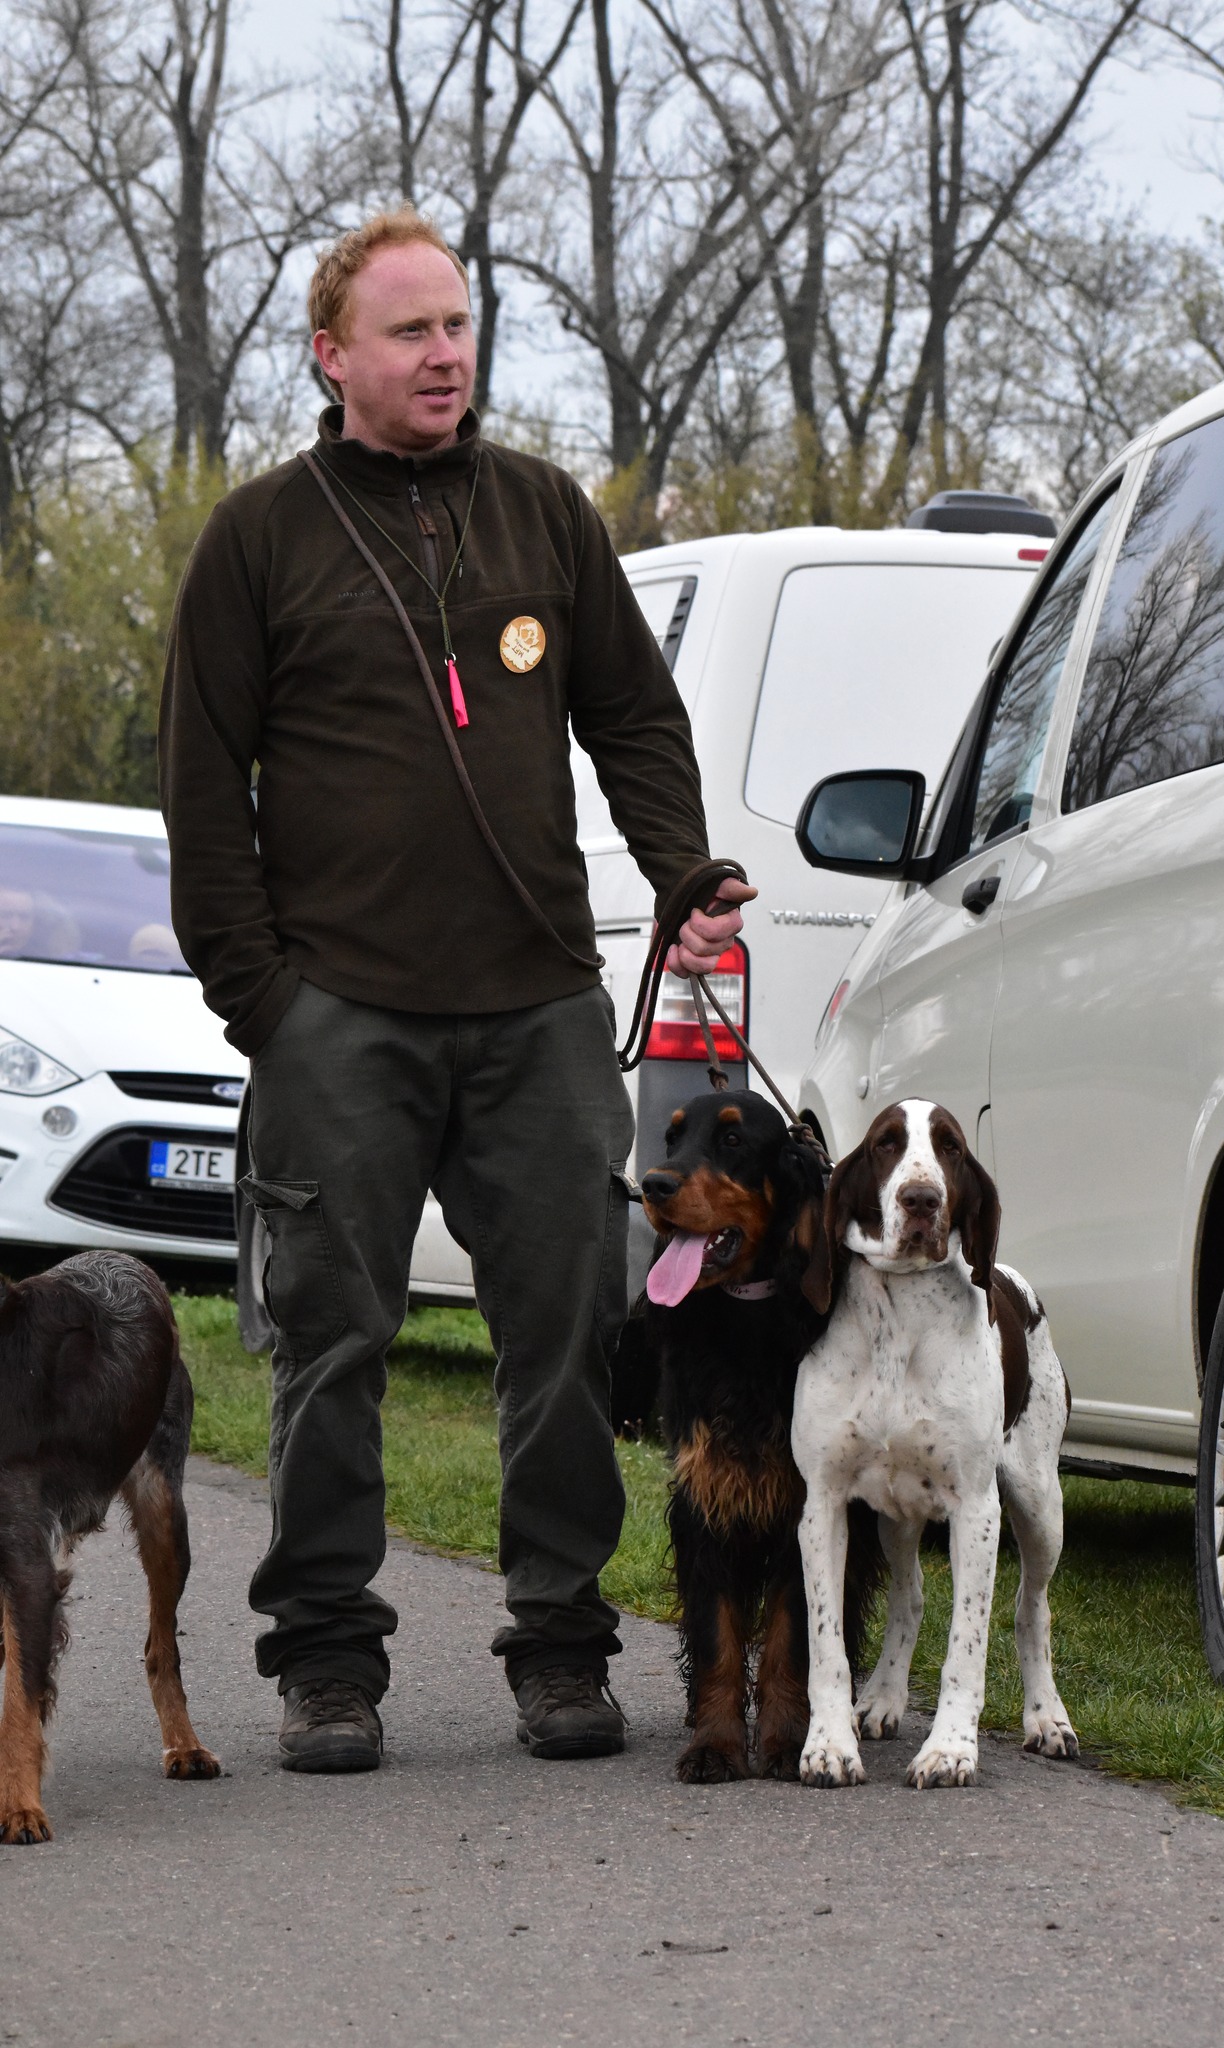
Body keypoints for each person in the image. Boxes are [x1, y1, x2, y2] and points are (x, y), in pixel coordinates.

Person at [159, 207, 753, 1774]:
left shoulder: (543, 512)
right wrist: (264, 1003)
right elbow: (202, 790)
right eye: (411, 330)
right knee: (331, 1340)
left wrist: (681, 875)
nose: (445, 355)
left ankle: (560, 1647)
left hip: (537, 1006)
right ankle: (326, 1660)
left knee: (566, 1332)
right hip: (338, 1016)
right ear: (332, 355)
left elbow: (634, 718)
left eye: (459, 325)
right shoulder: (259, 538)